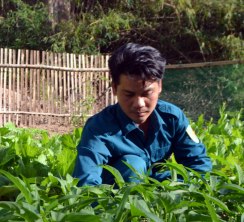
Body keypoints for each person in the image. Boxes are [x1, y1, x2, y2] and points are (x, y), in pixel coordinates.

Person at [73, 43, 212, 187]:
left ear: (159, 86)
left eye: (147, 94)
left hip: (153, 184)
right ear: (114, 88)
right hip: (116, 196)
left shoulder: (172, 118)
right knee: (133, 165)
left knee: (173, 178)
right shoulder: (99, 128)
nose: (139, 103)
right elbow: (85, 182)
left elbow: (198, 165)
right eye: (129, 94)